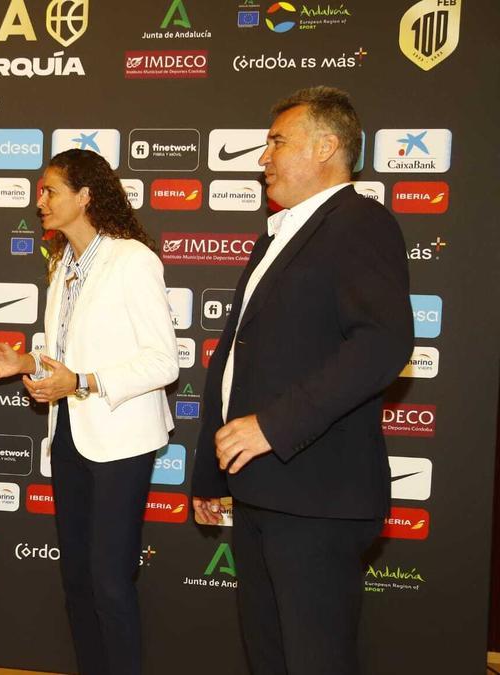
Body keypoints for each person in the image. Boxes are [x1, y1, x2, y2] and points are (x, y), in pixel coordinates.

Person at [190, 86, 413, 675]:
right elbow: (238, 358)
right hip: (263, 488)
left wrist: (272, 426)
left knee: (314, 660)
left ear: (327, 146)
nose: (263, 157)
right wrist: (213, 472)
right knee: (269, 657)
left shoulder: (359, 221)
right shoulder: (279, 233)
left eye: (276, 142)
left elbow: (383, 343)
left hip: (318, 496)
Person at [0, 149, 178, 675]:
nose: (38, 200)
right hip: (68, 432)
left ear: (85, 196)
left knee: (110, 582)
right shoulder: (61, 263)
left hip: (120, 440)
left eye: (49, 191)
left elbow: (163, 362)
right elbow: (67, 353)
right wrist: (25, 361)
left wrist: (83, 382)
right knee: (77, 580)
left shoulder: (133, 259)